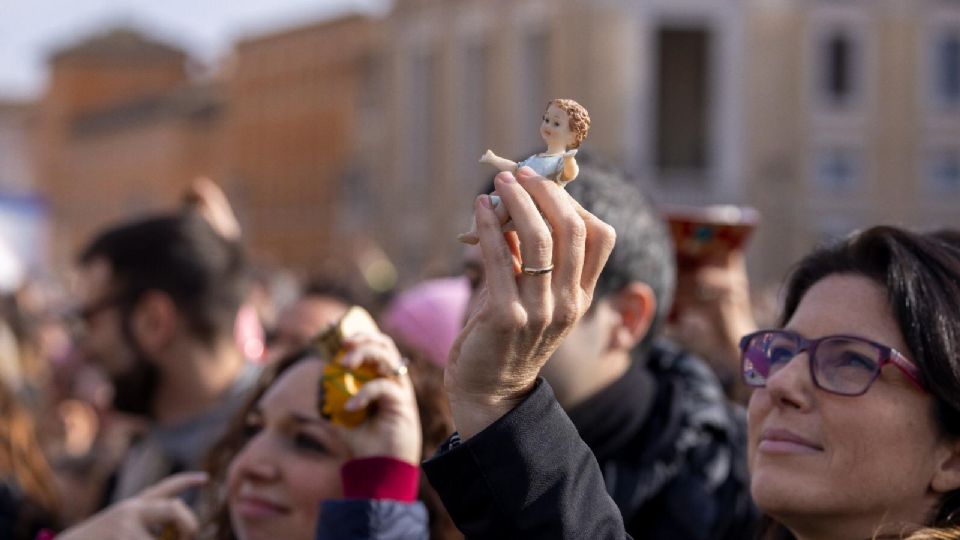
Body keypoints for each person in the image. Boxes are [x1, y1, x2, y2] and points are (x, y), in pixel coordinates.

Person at [433, 164, 757, 539]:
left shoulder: (735, 482)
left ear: (627, 318)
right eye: (476, 279)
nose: (485, 307)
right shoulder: (440, 441)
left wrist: (497, 409)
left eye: (522, 279)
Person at [73, 211, 258, 505]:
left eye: (89, 320)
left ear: (153, 320)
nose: (85, 348)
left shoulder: (264, 467)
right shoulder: (153, 449)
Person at [458, 98, 591, 244]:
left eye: (556, 123)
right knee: (485, 201)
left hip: (535, 204)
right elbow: (516, 168)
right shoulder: (536, 158)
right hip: (518, 197)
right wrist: (494, 159)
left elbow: (569, 174)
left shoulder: (560, 160)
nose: (548, 126)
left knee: (506, 199)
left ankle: (490, 229)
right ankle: (475, 232)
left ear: (572, 136)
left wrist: (569, 159)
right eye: (546, 119)